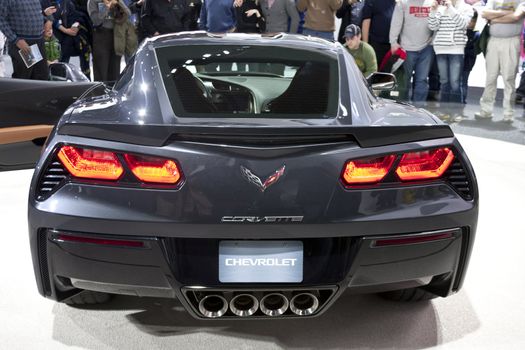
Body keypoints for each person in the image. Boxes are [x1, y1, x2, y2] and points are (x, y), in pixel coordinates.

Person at [475, 1, 525, 122]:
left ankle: (508, 114)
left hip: (511, 41)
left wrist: (495, 19)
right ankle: (485, 111)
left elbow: (516, 16)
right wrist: (505, 13)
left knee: (509, 79)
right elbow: (484, 13)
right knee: (490, 78)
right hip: (493, 41)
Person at [428, 0, 473, 119]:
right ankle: (444, 111)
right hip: (440, 49)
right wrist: (433, 11)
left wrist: (451, 8)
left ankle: (456, 112)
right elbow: (433, 26)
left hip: (456, 49)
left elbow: (463, 24)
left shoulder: (467, 8)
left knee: (455, 83)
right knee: (444, 82)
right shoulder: (440, 8)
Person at [389, 0, 433, 105]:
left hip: (426, 48)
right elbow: (396, 23)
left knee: (422, 80)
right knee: (405, 80)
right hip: (407, 48)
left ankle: (419, 109)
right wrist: (393, 42)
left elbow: (437, 21)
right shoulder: (402, 3)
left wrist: (433, 40)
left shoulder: (431, 3)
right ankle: (404, 107)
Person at [0, 0, 50, 80]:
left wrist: (46, 20)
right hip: (23, 43)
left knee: (42, 76)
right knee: (24, 78)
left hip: (38, 41)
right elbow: (1, 20)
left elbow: (35, 13)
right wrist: (16, 40)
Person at [87, 0, 131, 82]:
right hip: (101, 36)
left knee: (115, 69)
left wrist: (118, 3)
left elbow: (128, 13)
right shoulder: (93, 1)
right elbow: (96, 20)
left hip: (116, 36)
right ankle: (100, 92)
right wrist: (107, 7)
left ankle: (114, 90)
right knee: (101, 68)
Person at [362, 0, 395, 64]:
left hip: (392, 45)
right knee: (375, 71)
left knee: (388, 72)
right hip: (376, 44)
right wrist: (365, 47)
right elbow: (366, 22)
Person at [462, 9, 480, 103]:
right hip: (459, 60)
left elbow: (475, 51)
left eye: (472, 20)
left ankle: (462, 101)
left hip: (467, 63)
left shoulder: (476, 34)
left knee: (463, 82)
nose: (470, 22)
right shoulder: (461, 30)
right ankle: (458, 100)